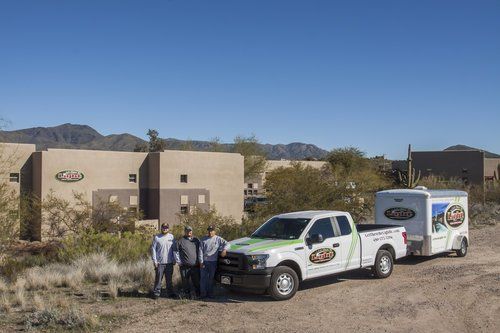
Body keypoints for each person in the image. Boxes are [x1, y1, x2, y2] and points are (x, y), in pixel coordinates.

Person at [200, 225, 230, 299]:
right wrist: (201, 261)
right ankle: (203, 294)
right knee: (203, 279)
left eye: (212, 230)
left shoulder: (218, 239)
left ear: (214, 231)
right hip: (205, 261)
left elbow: (228, 244)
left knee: (211, 278)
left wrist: (224, 250)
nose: (210, 232)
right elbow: (200, 251)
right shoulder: (203, 239)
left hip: (213, 262)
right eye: (209, 231)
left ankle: (210, 294)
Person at [151, 223, 178, 300]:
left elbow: (174, 249)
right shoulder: (157, 237)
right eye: (163, 227)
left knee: (169, 279)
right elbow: (153, 249)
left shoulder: (172, 237)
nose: (165, 229)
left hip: (169, 262)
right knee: (158, 279)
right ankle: (156, 293)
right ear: (161, 228)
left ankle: (170, 293)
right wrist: (155, 261)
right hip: (160, 263)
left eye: (166, 227)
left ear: (168, 228)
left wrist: (174, 259)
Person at [175, 226, 203, 298]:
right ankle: (186, 295)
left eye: (190, 231)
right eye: (187, 231)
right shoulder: (180, 241)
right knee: (185, 282)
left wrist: (201, 262)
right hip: (184, 266)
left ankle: (198, 295)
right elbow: (176, 252)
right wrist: (179, 262)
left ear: (192, 231)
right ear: (185, 231)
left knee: (197, 282)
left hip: (195, 266)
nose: (189, 232)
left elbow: (201, 251)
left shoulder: (196, 240)